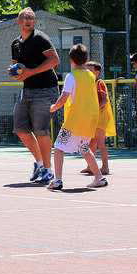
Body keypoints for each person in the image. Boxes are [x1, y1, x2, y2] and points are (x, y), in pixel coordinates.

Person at [9, 8, 61, 184]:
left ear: (34, 21)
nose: (28, 20)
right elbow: (17, 66)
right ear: (19, 21)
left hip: (46, 90)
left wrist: (30, 72)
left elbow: (54, 60)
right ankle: (40, 164)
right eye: (24, 18)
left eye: (31, 18)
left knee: (40, 130)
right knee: (21, 129)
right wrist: (14, 72)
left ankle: (48, 170)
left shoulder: (40, 38)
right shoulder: (16, 43)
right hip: (27, 90)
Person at [48, 44, 106, 190]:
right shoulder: (91, 75)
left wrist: (54, 107)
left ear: (70, 60)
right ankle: (99, 177)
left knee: (58, 147)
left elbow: (63, 97)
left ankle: (58, 180)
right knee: (84, 147)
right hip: (90, 120)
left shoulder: (71, 76)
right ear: (86, 60)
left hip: (75, 121)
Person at [78, 61, 112, 176]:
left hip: (101, 116)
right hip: (93, 117)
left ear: (97, 73)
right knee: (91, 142)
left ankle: (105, 167)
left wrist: (96, 110)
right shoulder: (87, 84)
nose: (87, 73)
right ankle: (90, 166)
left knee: (100, 142)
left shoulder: (99, 83)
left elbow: (104, 100)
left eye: (90, 71)